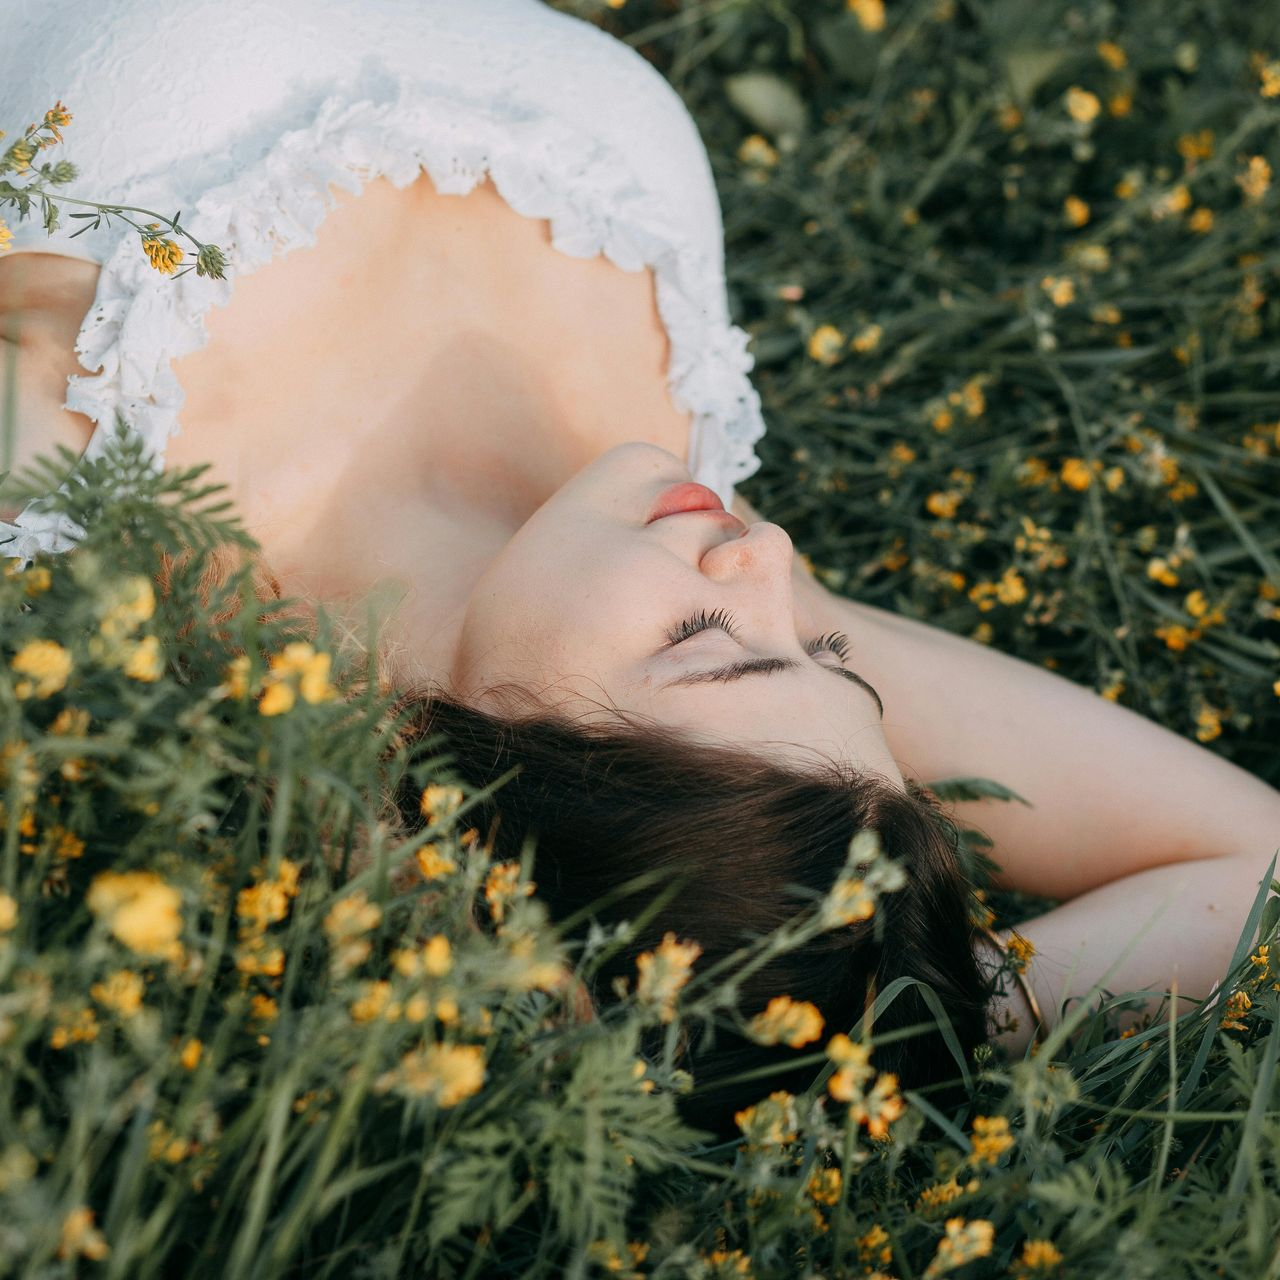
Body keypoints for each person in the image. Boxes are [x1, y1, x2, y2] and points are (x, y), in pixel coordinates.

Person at [3, 0, 1279, 1141]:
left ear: (480, 802)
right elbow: (1259, 864)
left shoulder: (71, 486)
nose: (768, 556)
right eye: (826, 655)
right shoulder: (678, 559)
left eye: (709, 644)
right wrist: (905, 1025)